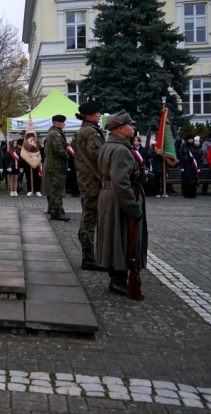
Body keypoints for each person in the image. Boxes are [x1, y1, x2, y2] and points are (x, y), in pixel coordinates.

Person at [96, 111, 148, 297]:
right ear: (120, 129)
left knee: (114, 237)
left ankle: (117, 278)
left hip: (109, 196)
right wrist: (134, 208)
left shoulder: (108, 146)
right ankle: (118, 280)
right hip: (119, 199)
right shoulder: (121, 150)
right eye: (130, 125)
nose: (133, 128)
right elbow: (121, 183)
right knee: (121, 238)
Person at [72, 100, 107, 271]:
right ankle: (88, 258)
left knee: (88, 217)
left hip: (86, 180)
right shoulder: (91, 132)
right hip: (93, 182)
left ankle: (90, 256)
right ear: (89, 115)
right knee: (89, 219)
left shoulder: (82, 131)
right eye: (97, 113)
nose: (99, 115)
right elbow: (98, 155)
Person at [42, 115, 70, 221]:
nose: (64, 124)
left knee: (55, 189)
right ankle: (56, 213)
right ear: (57, 123)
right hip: (56, 165)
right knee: (57, 190)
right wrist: (67, 156)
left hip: (53, 165)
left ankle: (54, 211)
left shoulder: (52, 132)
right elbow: (58, 148)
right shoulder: (56, 133)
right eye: (62, 122)